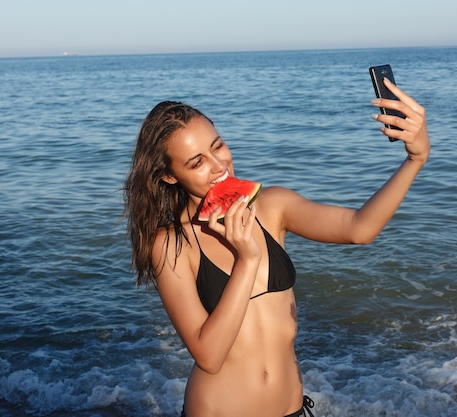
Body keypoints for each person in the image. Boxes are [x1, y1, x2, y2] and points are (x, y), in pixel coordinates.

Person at [123, 78, 430, 417]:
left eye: (218, 146)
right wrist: (247, 259)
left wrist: (415, 159)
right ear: (168, 176)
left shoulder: (272, 207)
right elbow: (208, 356)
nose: (219, 165)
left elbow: (359, 229)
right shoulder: (172, 244)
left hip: (292, 408)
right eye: (197, 162)